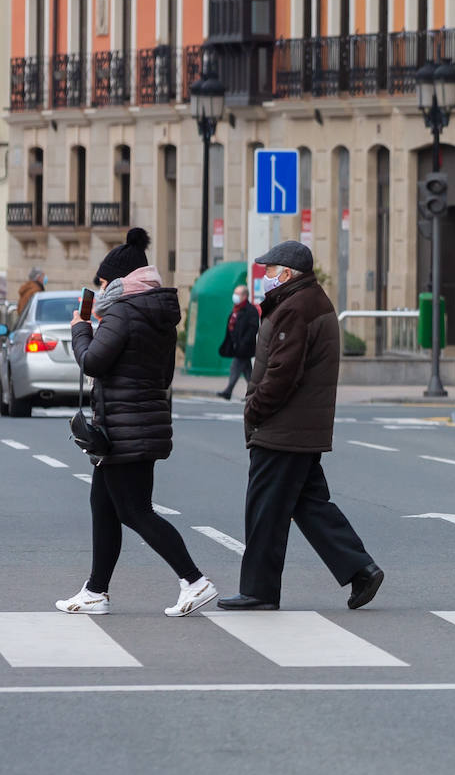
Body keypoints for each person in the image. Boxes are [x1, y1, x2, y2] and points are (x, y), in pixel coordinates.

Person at [58, 228, 219, 617]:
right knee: (103, 504)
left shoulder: (125, 312)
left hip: (125, 427)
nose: (97, 289)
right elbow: (162, 375)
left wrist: (80, 327)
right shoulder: (156, 314)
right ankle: (96, 590)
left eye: (101, 282)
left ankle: (194, 580)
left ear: (118, 282)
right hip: (136, 423)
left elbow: (93, 361)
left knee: (134, 510)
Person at [216, 241, 384, 611]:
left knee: (264, 510)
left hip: (283, 427)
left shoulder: (295, 307)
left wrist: (254, 410)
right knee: (310, 505)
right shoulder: (306, 300)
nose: (264, 277)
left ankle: (258, 591)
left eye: (269, 271)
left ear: (287, 274)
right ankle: (361, 569)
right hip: (299, 426)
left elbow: (282, 372)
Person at [217, 284, 259, 400]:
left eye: (237, 294)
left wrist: (244, 343)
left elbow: (253, 328)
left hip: (244, 348)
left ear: (245, 296)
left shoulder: (250, 310)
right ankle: (253, 393)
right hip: (237, 347)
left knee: (235, 368)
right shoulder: (236, 310)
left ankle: (228, 391)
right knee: (247, 372)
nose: (235, 296)